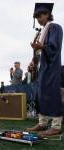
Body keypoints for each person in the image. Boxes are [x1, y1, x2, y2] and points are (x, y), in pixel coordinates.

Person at [26, 3, 63, 137]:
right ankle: (42, 123)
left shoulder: (55, 27)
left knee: (52, 93)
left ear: (47, 14)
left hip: (52, 66)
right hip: (42, 68)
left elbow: (54, 46)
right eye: (36, 17)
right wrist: (33, 63)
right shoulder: (40, 32)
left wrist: (41, 47)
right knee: (40, 94)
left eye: (40, 16)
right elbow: (38, 54)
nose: (38, 19)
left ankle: (56, 126)